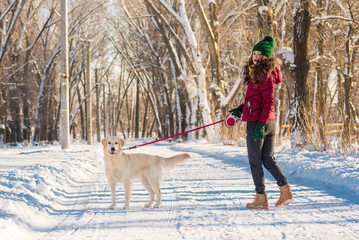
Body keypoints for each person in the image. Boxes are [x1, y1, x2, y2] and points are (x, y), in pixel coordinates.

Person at [229, 36, 293, 209]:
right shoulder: (260, 72)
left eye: (259, 53)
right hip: (268, 120)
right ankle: (285, 191)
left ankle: (261, 198)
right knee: (268, 159)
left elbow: (269, 101)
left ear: (266, 56)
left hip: (260, 122)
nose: (255, 56)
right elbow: (257, 100)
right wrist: (241, 109)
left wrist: (259, 125)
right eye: (254, 53)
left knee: (255, 161)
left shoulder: (264, 73)